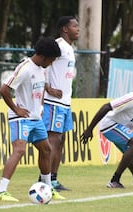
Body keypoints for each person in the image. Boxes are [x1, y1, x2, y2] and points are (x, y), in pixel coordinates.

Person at [0, 37, 65, 202]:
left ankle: (48, 188)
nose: (52, 63)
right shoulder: (24, 68)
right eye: (52, 60)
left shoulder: (41, 69)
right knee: (19, 150)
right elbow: (4, 89)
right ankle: (1, 190)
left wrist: (39, 107)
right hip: (20, 118)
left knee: (46, 149)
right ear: (45, 56)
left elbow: (39, 90)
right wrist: (16, 109)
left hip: (35, 117)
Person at [40, 16, 79, 191]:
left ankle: (53, 178)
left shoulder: (70, 48)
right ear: (64, 29)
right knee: (53, 140)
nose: (78, 29)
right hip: (53, 102)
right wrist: (48, 87)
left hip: (64, 102)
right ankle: (45, 178)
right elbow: (43, 65)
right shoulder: (59, 46)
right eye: (74, 26)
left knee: (60, 140)